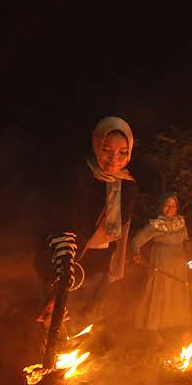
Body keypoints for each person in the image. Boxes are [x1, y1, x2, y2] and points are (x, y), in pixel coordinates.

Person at [37, 116, 139, 335]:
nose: (114, 159)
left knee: (88, 317)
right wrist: (64, 273)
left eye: (123, 152)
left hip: (101, 262)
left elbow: (120, 227)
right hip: (70, 257)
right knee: (56, 317)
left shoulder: (128, 186)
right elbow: (64, 223)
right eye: (106, 150)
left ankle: (79, 360)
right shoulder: (79, 177)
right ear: (95, 145)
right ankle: (47, 364)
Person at [132, 192, 191, 343]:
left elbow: (186, 240)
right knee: (160, 293)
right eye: (167, 205)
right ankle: (153, 329)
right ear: (161, 206)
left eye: (173, 205)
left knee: (176, 293)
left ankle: (172, 326)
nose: (170, 208)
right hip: (161, 261)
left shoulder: (181, 222)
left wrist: (190, 257)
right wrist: (136, 253)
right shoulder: (155, 224)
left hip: (178, 262)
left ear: (177, 207)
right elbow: (136, 241)